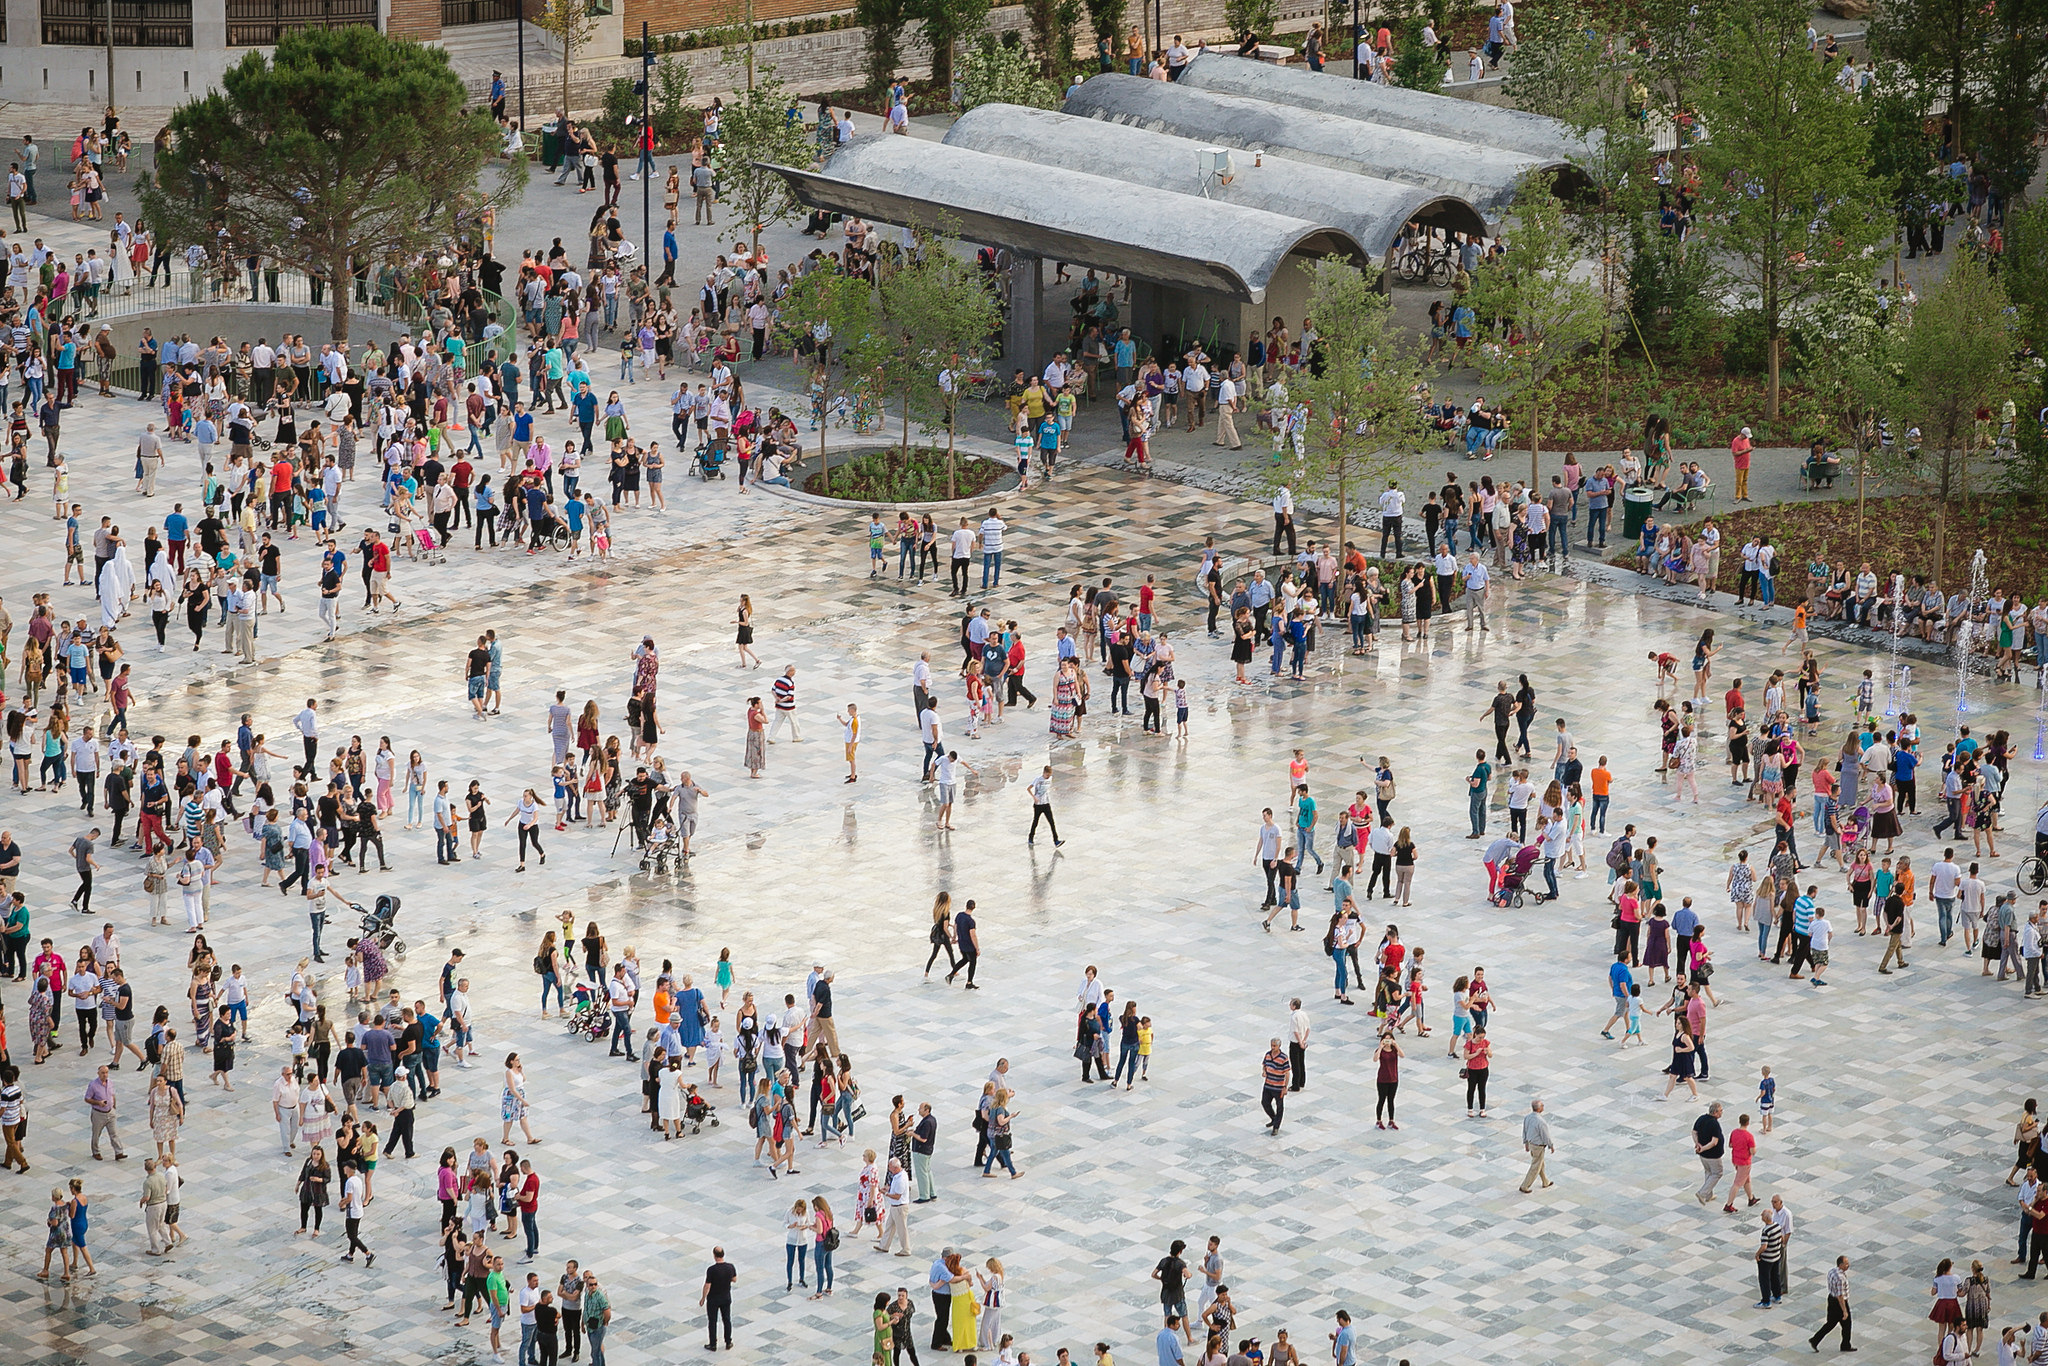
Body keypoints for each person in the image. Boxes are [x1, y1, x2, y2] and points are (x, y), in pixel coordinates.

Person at [701, 1246, 736, 1349]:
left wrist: (703, 1298)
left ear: (714, 1256)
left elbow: (707, 1285)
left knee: (712, 1321)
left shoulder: (711, 1270)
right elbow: (734, 1279)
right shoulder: (730, 1267)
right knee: (727, 1319)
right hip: (726, 1297)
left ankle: (713, 1344)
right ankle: (728, 1342)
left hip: (713, 1299)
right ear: (723, 1254)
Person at [1520, 1098, 1555, 1192]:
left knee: (1540, 1164)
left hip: (1531, 1144)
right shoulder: (1541, 1122)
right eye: (1542, 1105)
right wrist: (1550, 1145)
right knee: (1535, 1166)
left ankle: (1545, 1181)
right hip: (1538, 1146)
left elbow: (1525, 1131)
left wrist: (1526, 1143)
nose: (1543, 1107)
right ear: (1539, 1109)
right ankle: (1525, 1186)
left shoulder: (1527, 1117)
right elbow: (1545, 1136)